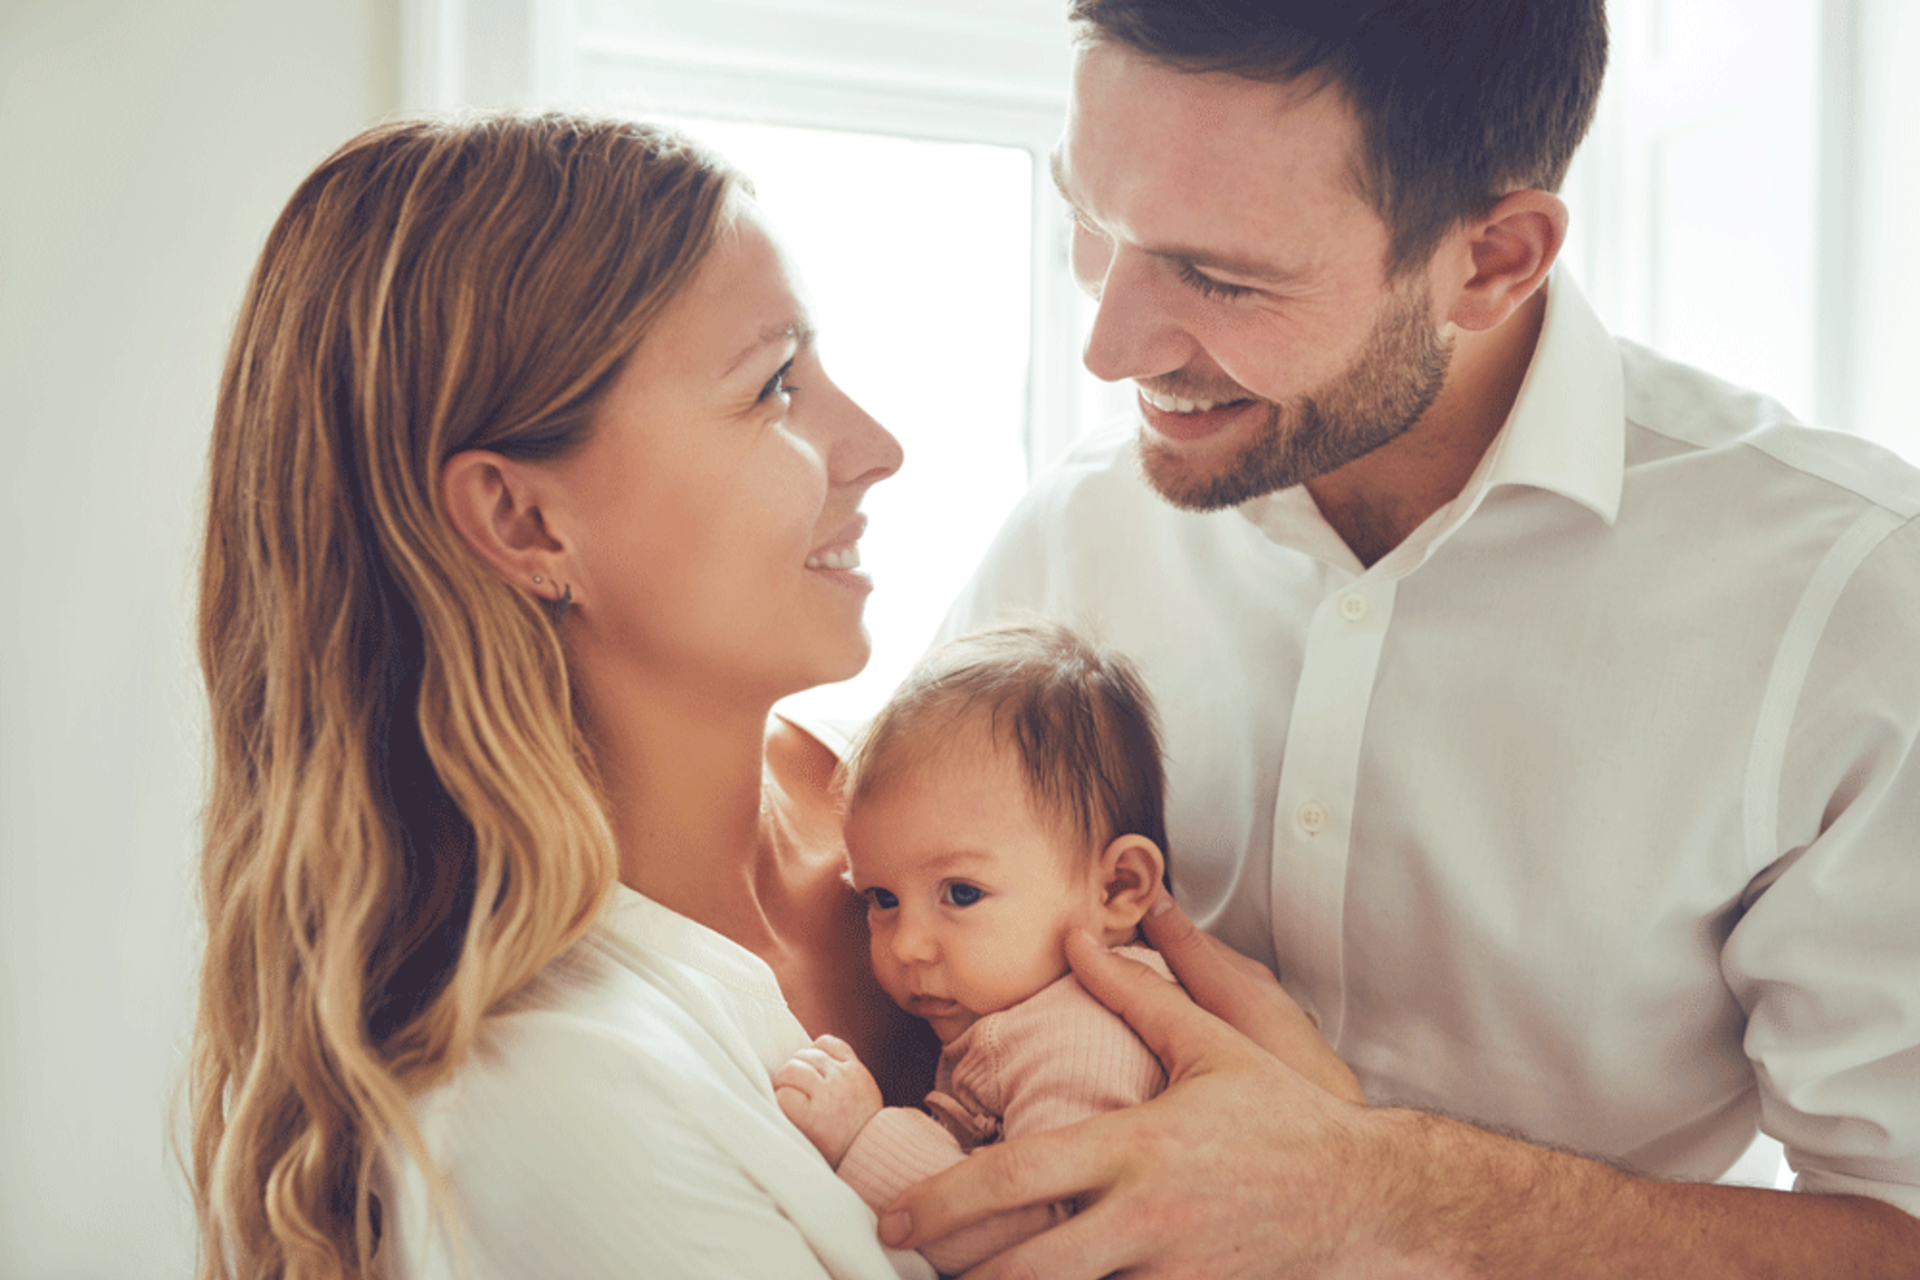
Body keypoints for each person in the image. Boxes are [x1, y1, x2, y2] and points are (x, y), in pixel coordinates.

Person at [879, 1, 1920, 1276]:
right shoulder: (1080, 529)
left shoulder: (1852, 597)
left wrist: (1384, 1190)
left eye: (1220, 276)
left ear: (1493, 258)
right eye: (1090, 223)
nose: (1110, 346)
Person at [185, 111, 948, 1279]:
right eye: (775, 386)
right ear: (522, 520)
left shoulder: (945, 789)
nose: (879, 446)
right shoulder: (548, 1100)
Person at [775, 621, 1230, 1276]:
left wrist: (862, 1137)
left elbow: (1059, 1239)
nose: (907, 944)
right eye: (881, 898)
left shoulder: (1086, 1035)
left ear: (1117, 888)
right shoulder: (1029, 1011)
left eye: (960, 894)